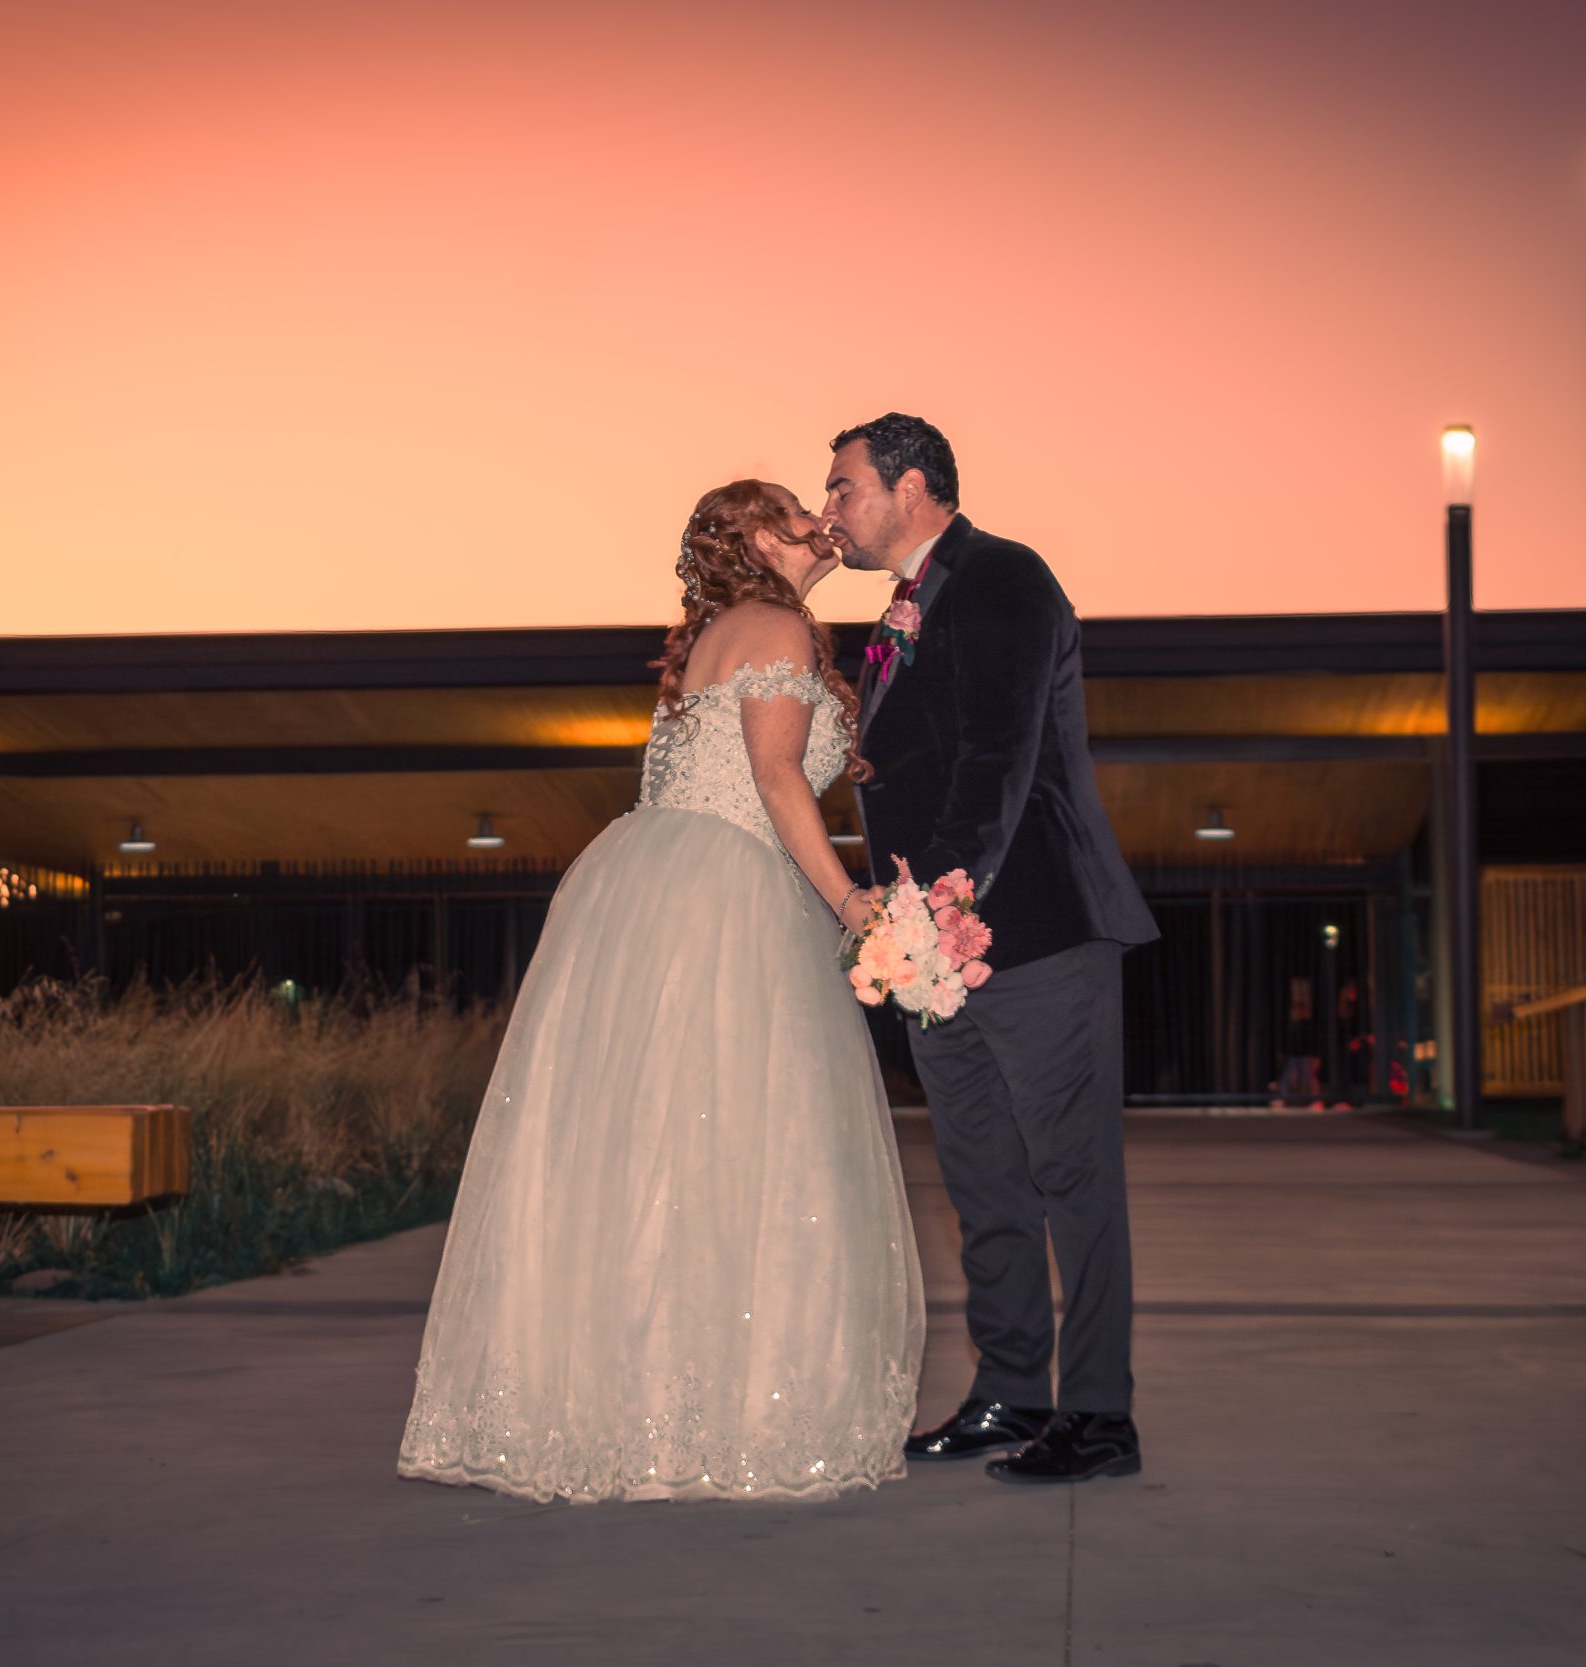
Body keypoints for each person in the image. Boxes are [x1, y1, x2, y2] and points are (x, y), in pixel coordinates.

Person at [397, 480, 925, 1503]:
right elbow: (775, 781)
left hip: (654, 884)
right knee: (746, 1139)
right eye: (789, 510)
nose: (816, 521)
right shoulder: (771, 619)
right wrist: (853, 903)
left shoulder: (724, 630)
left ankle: (634, 1405)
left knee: (658, 1145)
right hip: (726, 891)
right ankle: (723, 1408)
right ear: (751, 540)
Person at [822, 413, 1158, 1485]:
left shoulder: (1004, 576)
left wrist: (936, 898)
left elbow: (999, 753)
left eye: (841, 487)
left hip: (1036, 930)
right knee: (982, 1178)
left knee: (1071, 1176)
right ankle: (1011, 1390)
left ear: (911, 483)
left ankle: (1099, 1413)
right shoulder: (900, 609)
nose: (829, 509)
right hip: (930, 949)